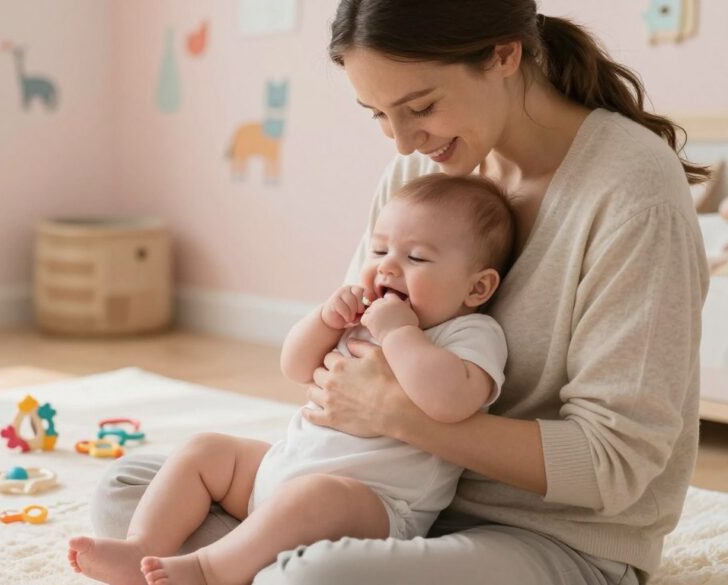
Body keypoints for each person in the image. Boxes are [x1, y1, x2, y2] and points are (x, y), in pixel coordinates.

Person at [90, 1, 711, 583]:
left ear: (503, 54)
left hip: (546, 535)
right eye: (379, 115)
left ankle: (259, 562)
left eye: (420, 107)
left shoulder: (631, 192)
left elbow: (616, 466)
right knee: (130, 491)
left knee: (313, 576)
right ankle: (253, 560)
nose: (403, 141)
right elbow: (344, 359)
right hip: (377, 488)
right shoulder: (422, 172)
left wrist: (397, 415)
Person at [68, 173, 515, 585]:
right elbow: (296, 367)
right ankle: (143, 548)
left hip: (374, 506)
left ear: (476, 288)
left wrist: (399, 333)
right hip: (280, 470)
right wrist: (325, 319)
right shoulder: (362, 316)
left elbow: (449, 402)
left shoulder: (468, 333)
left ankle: (208, 569)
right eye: (378, 251)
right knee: (205, 449)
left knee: (316, 497)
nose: (387, 269)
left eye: (416, 257)